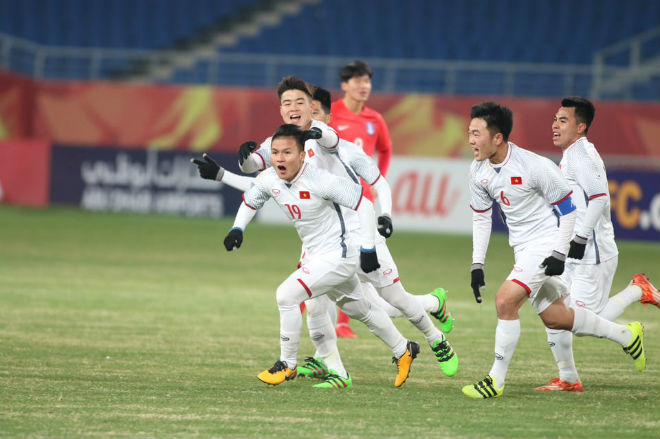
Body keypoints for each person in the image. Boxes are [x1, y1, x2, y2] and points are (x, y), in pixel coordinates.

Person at [235, 76, 458, 379]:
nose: (295, 108)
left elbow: (341, 150)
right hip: (323, 237)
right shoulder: (280, 142)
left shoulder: (327, 135)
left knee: (391, 299)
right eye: (287, 103)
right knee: (324, 303)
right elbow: (256, 173)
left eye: (303, 103)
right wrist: (243, 159)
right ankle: (332, 365)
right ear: (281, 109)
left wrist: (386, 215)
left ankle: (435, 334)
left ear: (318, 111)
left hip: (359, 230)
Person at [461, 101, 646, 399]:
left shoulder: (534, 165)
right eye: (469, 132)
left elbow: (569, 208)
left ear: (497, 137)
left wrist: (559, 253)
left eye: (476, 133)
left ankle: (495, 380)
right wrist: (476, 264)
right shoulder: (477, 170)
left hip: (545, 243)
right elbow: (481, 216)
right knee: (556, 318)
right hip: (522, 248)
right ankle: (625, 335)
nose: (470, 140)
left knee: (505, 301)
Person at [223, 123, 419, 389]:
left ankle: (287, 364)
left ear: (302, 155)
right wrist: (238, 228)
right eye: (276, 153)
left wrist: (368, 247)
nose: (280, 158)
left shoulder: (320, 180)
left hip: (340, 254)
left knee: (286, 295)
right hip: (317, 256)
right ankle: (403, 348)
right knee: (357, 308)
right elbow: (252, 199)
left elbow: (364, 203)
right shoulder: (271, 178)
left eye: (288, 152)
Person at [534, 96, 659, 392]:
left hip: (593, 254)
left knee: (579, 320)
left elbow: (601, 197)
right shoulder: (570, 155)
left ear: (581, 127)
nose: (555, 124)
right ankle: (567, 377)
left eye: (563, 120)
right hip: (571, 250)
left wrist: (581, 235)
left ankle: (635, 294)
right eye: (555, 118)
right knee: (554, 310)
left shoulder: (584, 156)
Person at [328, 61, 394, 338]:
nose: (363, 86)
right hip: (331, 200)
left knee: (352, 262)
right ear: (344, 85)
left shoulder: (375, 120)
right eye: (357, 81)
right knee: (330, 259)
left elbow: (386, 150)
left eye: (367, 81)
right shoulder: (330, 113)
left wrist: (376, 181)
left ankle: (339, 322)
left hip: (360, 203)